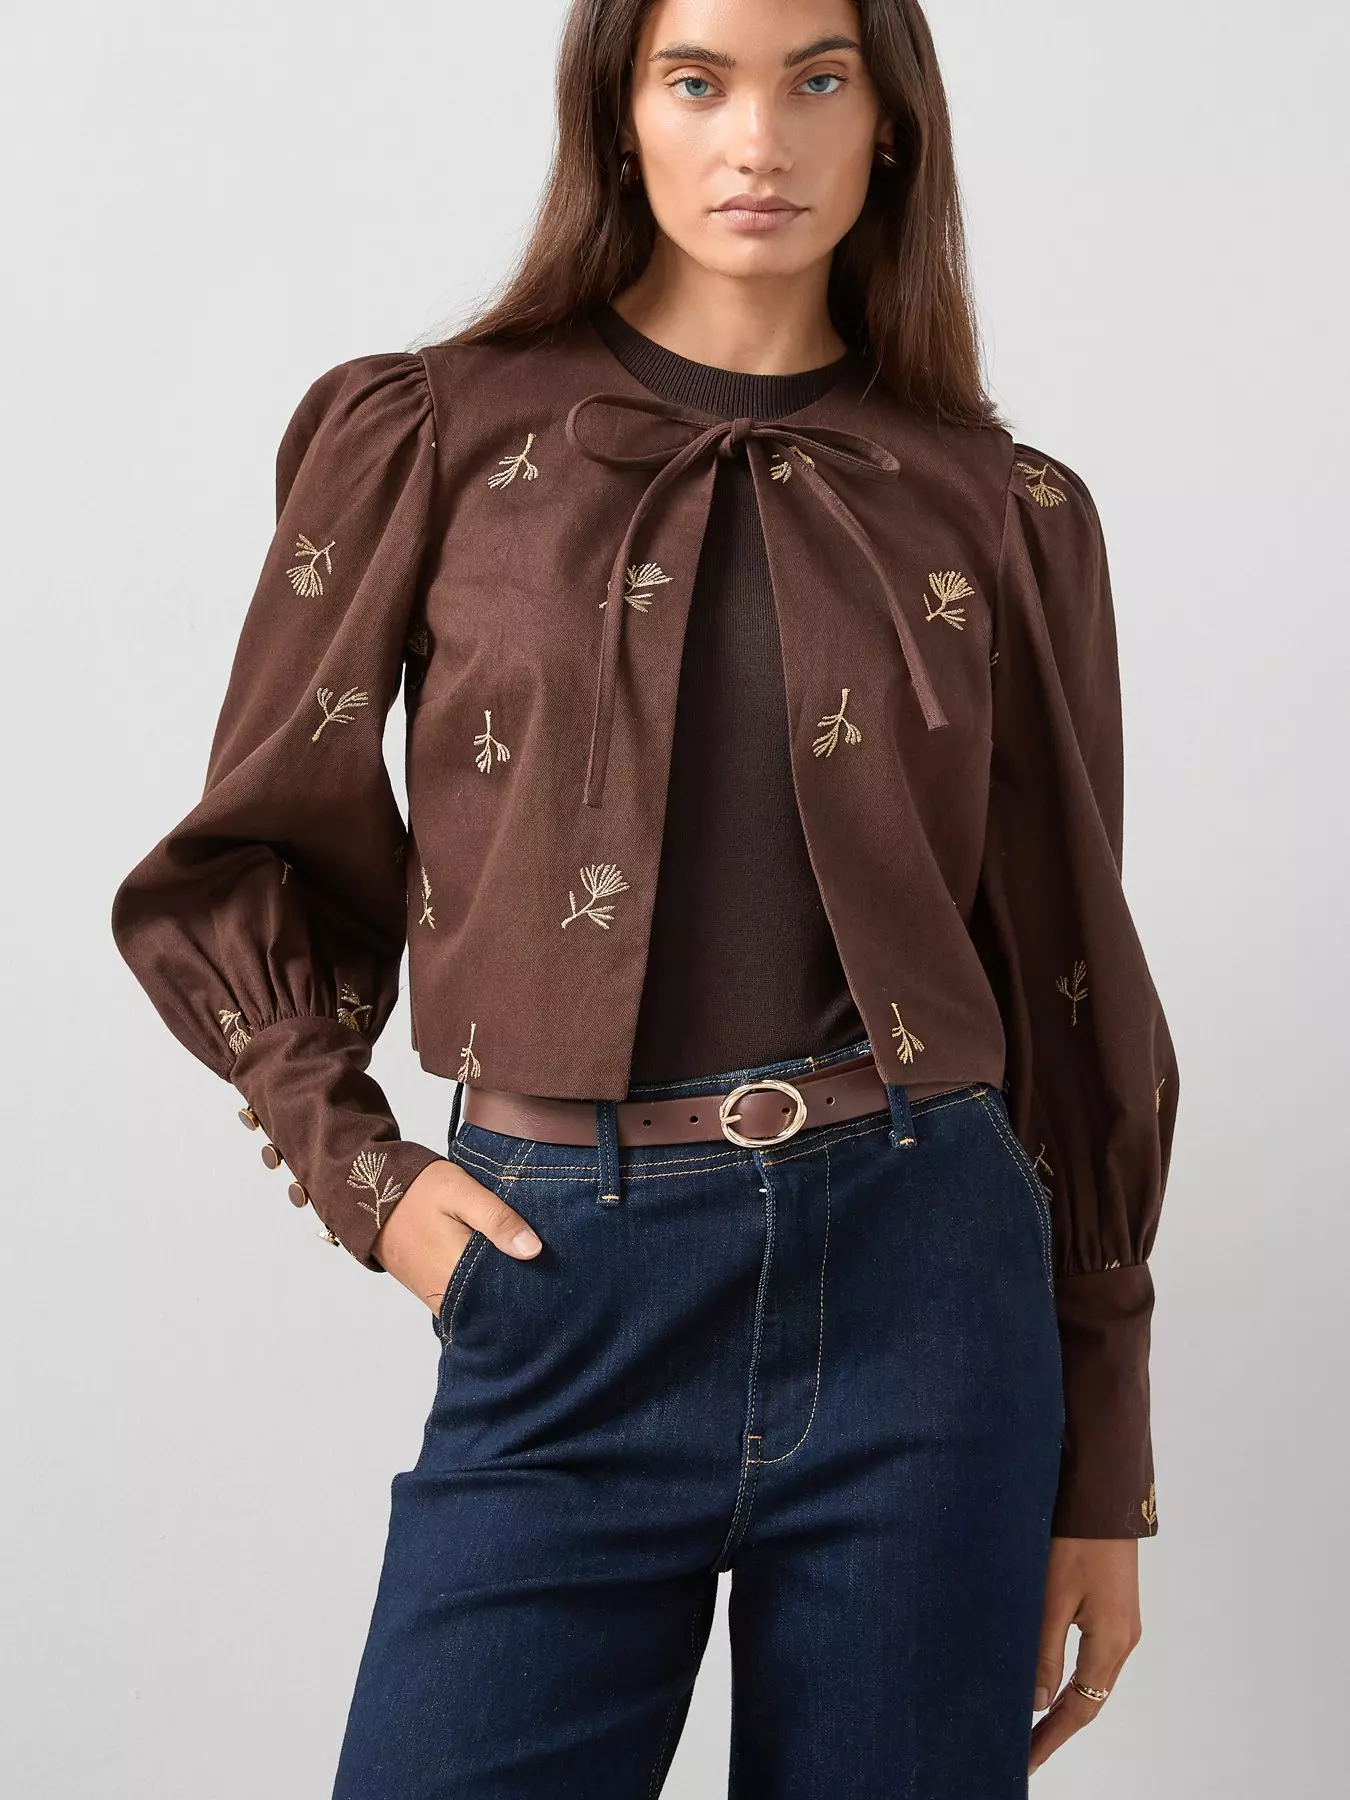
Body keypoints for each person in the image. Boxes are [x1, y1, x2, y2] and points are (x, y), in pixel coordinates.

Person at [109, 1, 1180, 1793]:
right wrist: (365, 1179)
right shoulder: (431, 433)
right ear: (620, 115)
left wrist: (1104, 1461)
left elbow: (1070, 968)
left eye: (816, 80)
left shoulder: (999, 507)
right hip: (560, 1279)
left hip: (927, 1288)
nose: (758, 139)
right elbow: (248, 854)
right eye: (698, 80)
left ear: (890, 125)